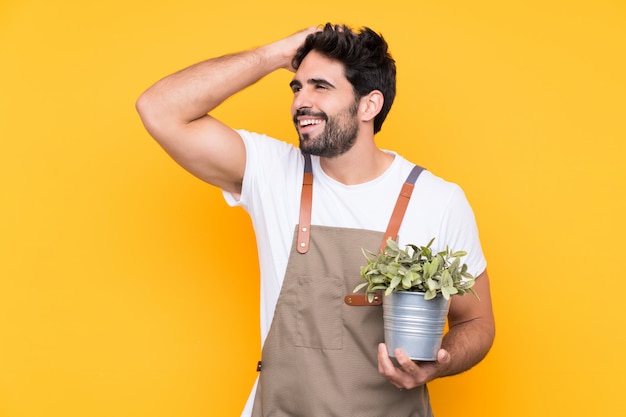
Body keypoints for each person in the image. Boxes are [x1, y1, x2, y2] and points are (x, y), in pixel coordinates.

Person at [136, 23, 495, 417]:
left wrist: (439, 363)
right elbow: (159, 108)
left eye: (319, 87)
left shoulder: (438, 201)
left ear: (369, 105)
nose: (299, 102)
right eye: (296, 87)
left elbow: (476, 322)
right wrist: (274, 54)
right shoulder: (273, 173)